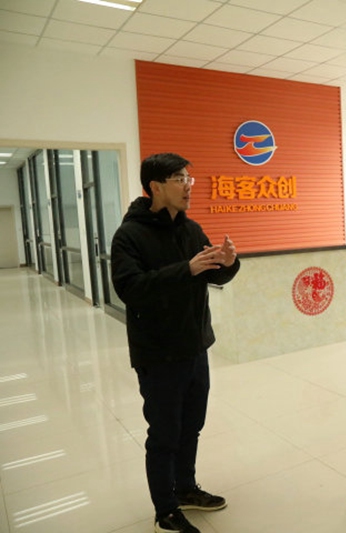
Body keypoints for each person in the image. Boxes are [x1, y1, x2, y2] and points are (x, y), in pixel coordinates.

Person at [111, 153, 240, 533]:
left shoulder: (191, 229)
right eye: (179, 179)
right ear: (155, 187)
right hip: (158, 353)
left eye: (189, 178)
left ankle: (185, 488)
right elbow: (130, 289)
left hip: (195, 346)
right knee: (164, 433)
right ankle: (165, 510)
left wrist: (228, 262)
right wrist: (186, 269)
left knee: (191, 426)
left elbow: (213, 276)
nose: (188, 186)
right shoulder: (129, 235)